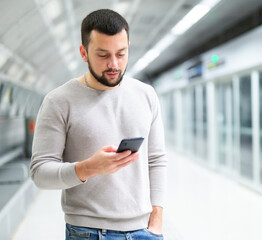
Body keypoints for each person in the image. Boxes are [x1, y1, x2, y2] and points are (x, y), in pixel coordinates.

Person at [30, 9, 167, 240]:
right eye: (103, 55)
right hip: (88, 232)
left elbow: (156, 159)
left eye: (121, 54)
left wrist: (157, 216)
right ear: (83, 53)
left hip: (146, 230)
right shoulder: (58, 101)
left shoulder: (146, 95)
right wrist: (87, 168)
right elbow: (40, 172)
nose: (114, 64)